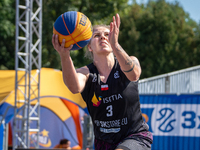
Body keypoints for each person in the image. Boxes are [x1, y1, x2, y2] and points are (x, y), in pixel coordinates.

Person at [52, 13, 153, 150]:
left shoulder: (129, 62)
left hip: (134, 136)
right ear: (89, 47)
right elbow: (74, 87)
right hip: (103, 142)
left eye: (107, 34)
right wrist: (64, 55)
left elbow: (134, 75)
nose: (103, 37)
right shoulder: (86, 73)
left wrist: (115, 45)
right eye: (97, 35)